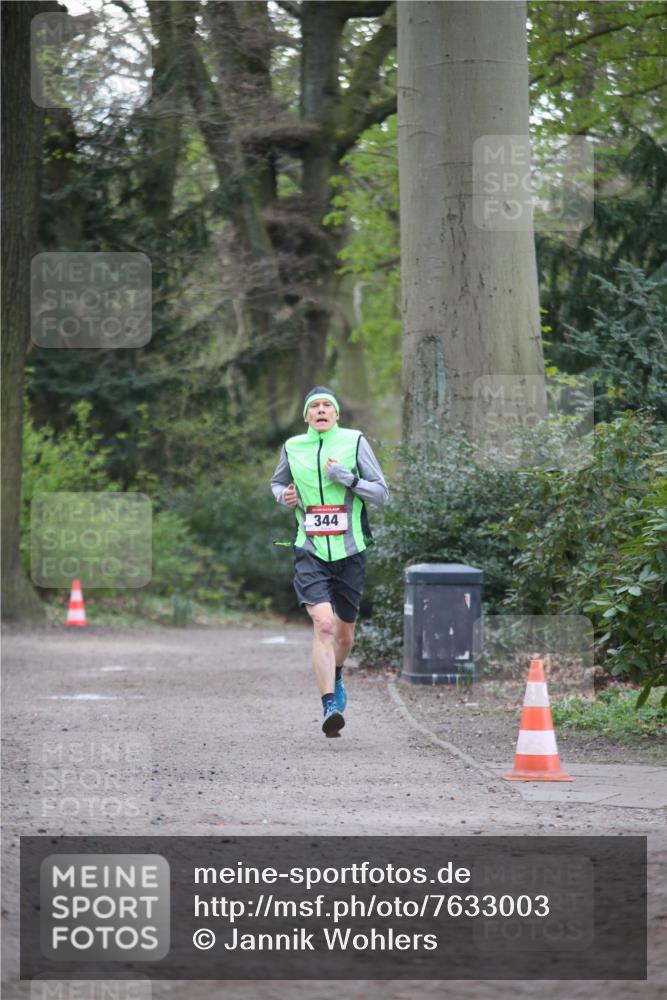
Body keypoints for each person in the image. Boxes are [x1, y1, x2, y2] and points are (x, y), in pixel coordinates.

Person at [270, 386, 390, 737]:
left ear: (336, 414)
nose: (321, 410)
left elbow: (382, 492)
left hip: (350, 552)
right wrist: (285, 495)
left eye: (327, 406)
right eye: (314, 407)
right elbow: (277, 484)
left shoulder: (354, 442)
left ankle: (336, 677)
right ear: (306, 416)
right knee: (323, 625)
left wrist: (348, 479)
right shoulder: (293, 447)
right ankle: (329, 706)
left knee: (345, 635)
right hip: (309, 549)